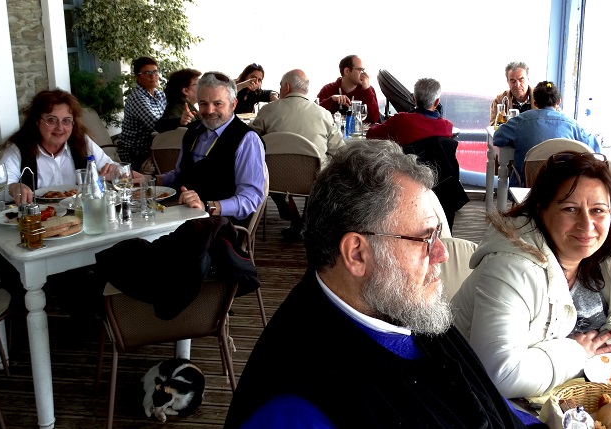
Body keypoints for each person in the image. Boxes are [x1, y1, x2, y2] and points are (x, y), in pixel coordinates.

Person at [225, 140, 540, 429]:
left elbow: (490, 405)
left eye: (437, 234)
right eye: (425, 238)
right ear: (357, 254)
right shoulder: (298, 406)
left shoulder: (400, 305)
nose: (442, 254)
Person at [451, 151, 611, 399]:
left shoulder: (603, 261)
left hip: (568, 399)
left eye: (598, 210)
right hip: (475, 399)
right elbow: (500, 374)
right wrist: (579, 352)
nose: (587, 225)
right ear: (541, 210)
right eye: (570, 209)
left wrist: (610, 346)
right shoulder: (511, 268)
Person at [156, 71, 265, 223]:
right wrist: (149, 181)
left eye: (217, 104)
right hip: (181, 216)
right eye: (203, 104)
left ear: (233, 104)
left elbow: (250, 199)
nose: (209, 110)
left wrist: (207, 206)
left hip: (219, 225)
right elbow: (179, 174)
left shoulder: (247, 140)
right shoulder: (193, 131)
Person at [250, 68, 345, 241]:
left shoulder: (268, 111)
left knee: (267, 167)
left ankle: (295, 220)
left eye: (280, 86)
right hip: (313, 180)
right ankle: (307, 221)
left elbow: (250, 140)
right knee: (324, 169)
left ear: (286, 87)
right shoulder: (323, 114)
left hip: (274, 180)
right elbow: (340, 150)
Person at [1, 89, 118, 204]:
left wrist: (114, 173)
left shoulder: (82, 142)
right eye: (51, 120)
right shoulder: (19, 148)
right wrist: (13, 188)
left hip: (80, 212)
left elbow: (111, 168)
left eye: (66, 121)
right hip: (39, 215)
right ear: (37, 121)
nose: (60, 128)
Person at [492, 81, 602, 187]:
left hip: (526, 190)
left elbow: (497, 138)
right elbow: (595, 149)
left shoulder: (521, 121)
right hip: (562, 189)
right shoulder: (573, 125)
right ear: (559, 101)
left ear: (535, 103)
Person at [366, 77, 453, 145]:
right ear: (437, 102)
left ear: (413, 99)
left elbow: (371, 135)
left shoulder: (401, 120)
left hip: (404, 162)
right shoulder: (447, 127)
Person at [117, 56, 167, 171]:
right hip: (135, 153)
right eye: (148, 73)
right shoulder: (137, 97)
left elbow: (167, 118)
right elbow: (157, 126)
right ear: (138, 77)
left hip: (152, 147)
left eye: (155, 72)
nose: (153, 76)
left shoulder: (160, 95)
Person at [316, 54, 380, 124]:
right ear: (347, 71)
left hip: (359, 130)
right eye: (360, 70)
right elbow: (315, 114)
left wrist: (367, 90)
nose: (364, 74)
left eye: (363, 70)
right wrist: (332, 99)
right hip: (333, 130)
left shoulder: (367, 90)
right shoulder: (328, 89)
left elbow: (375, 119)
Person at [154, 68, 201, 133]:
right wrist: (180, 121)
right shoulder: (177, 106)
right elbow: (160, 125)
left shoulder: (187, 107)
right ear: (185, 91)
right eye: (199, 84)